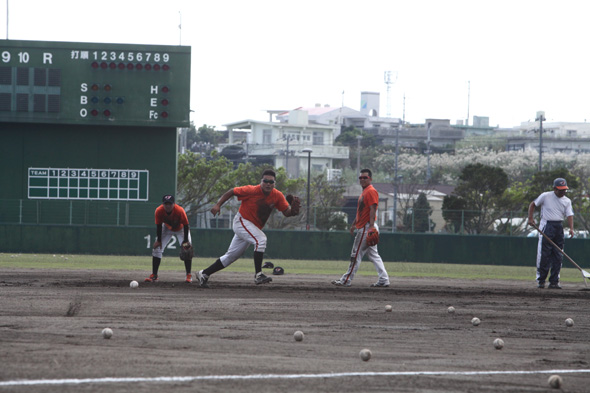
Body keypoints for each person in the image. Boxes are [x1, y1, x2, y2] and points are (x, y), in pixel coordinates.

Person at [196, 169, 298, 287]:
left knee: (231, 256)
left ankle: (203, 274)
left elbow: (286, 212)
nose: (268, 184)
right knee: (261, 240)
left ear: (274, 183)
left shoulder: (277, 195)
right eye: (266, 181)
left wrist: (294, 211)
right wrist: (218, 204)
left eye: (271, 182)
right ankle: (258, 275)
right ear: (261, 181)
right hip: (242, 221)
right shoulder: (251, 190)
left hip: (251, 227)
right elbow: (232, 191)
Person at [332, 169, 390, 287]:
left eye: (365, 178)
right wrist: (353, 224)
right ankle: (384, 279)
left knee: (355, 254)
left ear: (370, 179)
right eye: (361, 178)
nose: (362, 179)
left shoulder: (371, 191)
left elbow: (373, 209)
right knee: (374, 255)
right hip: (365, 226)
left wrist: (372, 226)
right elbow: (361, 211)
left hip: (367, 227)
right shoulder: (364, 192)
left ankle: (346, 279)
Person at [527, 178, 574, 289]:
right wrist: (530, 218)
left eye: (564, 190)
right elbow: (533, 204)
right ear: (554, 188)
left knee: (558, 255)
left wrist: (571, 229)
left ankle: (554, 281)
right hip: (547, 226)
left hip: (559, 227)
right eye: (560, 190)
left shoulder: (567, 201)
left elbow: (569, 215)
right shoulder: (545, 196)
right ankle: (541, 280)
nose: (562, 192)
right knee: (544, 255)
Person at [145, 194, 193, 283]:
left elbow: (186, 225)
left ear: (173, 204)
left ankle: (189, 275)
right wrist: (159, 241)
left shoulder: (179, 210)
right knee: (156, 250)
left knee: (187, 250)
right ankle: (154, 275)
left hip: (181, 229)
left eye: (170, 204)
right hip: (167, 228)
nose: (167, 206)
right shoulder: (159, 211)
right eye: (166, 204)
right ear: (163, 204)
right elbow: (159, 226)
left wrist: (185, 241)